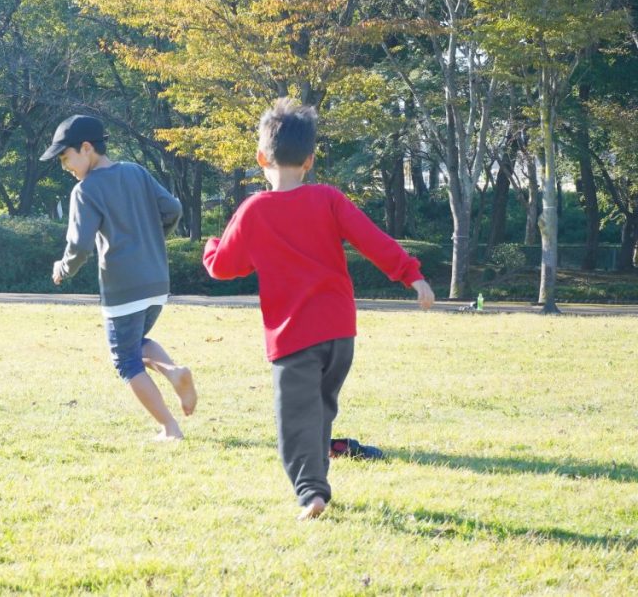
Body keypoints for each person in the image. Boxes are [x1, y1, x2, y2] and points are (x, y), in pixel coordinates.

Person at [202, 98, 435, 519]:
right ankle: (319, 483)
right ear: (309, 160)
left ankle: (311, 493)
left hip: (293, 337)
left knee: (296, 419)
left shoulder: (254, 209)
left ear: (260, 158)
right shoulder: (328, 199)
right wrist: (411, 275)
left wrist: (211, 246)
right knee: (321, 410)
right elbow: (372, 239)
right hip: (339, 333)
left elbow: (224, 268)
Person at [42, 114, 197, 441]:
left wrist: (63, 268)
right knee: (135, 343)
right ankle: (174, 373)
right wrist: (151, 238)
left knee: (125, 362)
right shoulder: (136, 172)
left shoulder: (86, 190)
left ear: (86, 149)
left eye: (65, 157)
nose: (64, 166)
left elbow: (80, 244)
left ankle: (170, 427)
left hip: (123, 286)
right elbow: (173, 209)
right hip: (157, 282)